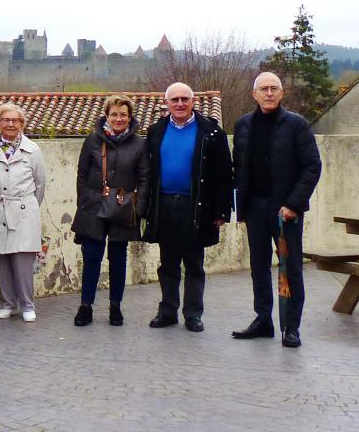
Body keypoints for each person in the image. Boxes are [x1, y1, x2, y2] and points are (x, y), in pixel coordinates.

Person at [231, 72, 321, 348]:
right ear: (254, 94)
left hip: (285, 210)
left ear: (282, 94)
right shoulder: (244, 125)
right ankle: (263, 320)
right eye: (263, 89)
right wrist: (240, 207)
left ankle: (290, 326)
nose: (269, 93)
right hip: (255, 207)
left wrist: (293, 204)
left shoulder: (297, 125)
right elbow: (239, 169)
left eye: (274, 89)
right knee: (258, 267)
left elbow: (311, 167)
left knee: (289, 267)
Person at [142, 82, 233, 333]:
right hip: (164, 204)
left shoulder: (211, 132)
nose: (180, 104)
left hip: (197, 206)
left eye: (184, 99)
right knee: (167, 262)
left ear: (193, 101)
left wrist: (222, 211)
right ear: (167, 103)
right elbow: (147, 171)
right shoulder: (156, 131)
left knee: (194, 263)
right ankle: (168, 311)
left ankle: (193, 314)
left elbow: (225, 173)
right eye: (175, 100)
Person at [70, 96, 148, 326]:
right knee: (92, 255)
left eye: (123, 114)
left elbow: (144, 177)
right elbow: (82, 173)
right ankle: (86, 305)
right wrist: (84, 200)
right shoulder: (93, 140)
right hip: (94, 206)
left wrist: (139, 208)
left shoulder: (139, 145)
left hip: (123, 208)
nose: (118, 118)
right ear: (106, 116)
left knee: (118, 257)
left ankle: (116, 306)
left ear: (129, 117)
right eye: (114, 114)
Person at [0, 103, 47, 322]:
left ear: (22, 124)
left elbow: (40, 184)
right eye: (5, 120)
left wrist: (25, 205)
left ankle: (27, 304)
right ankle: (8, 303)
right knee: (1, 258)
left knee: (22, 259)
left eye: (15, 120)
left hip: (23, 209)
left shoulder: (33, 150)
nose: (10, 124)